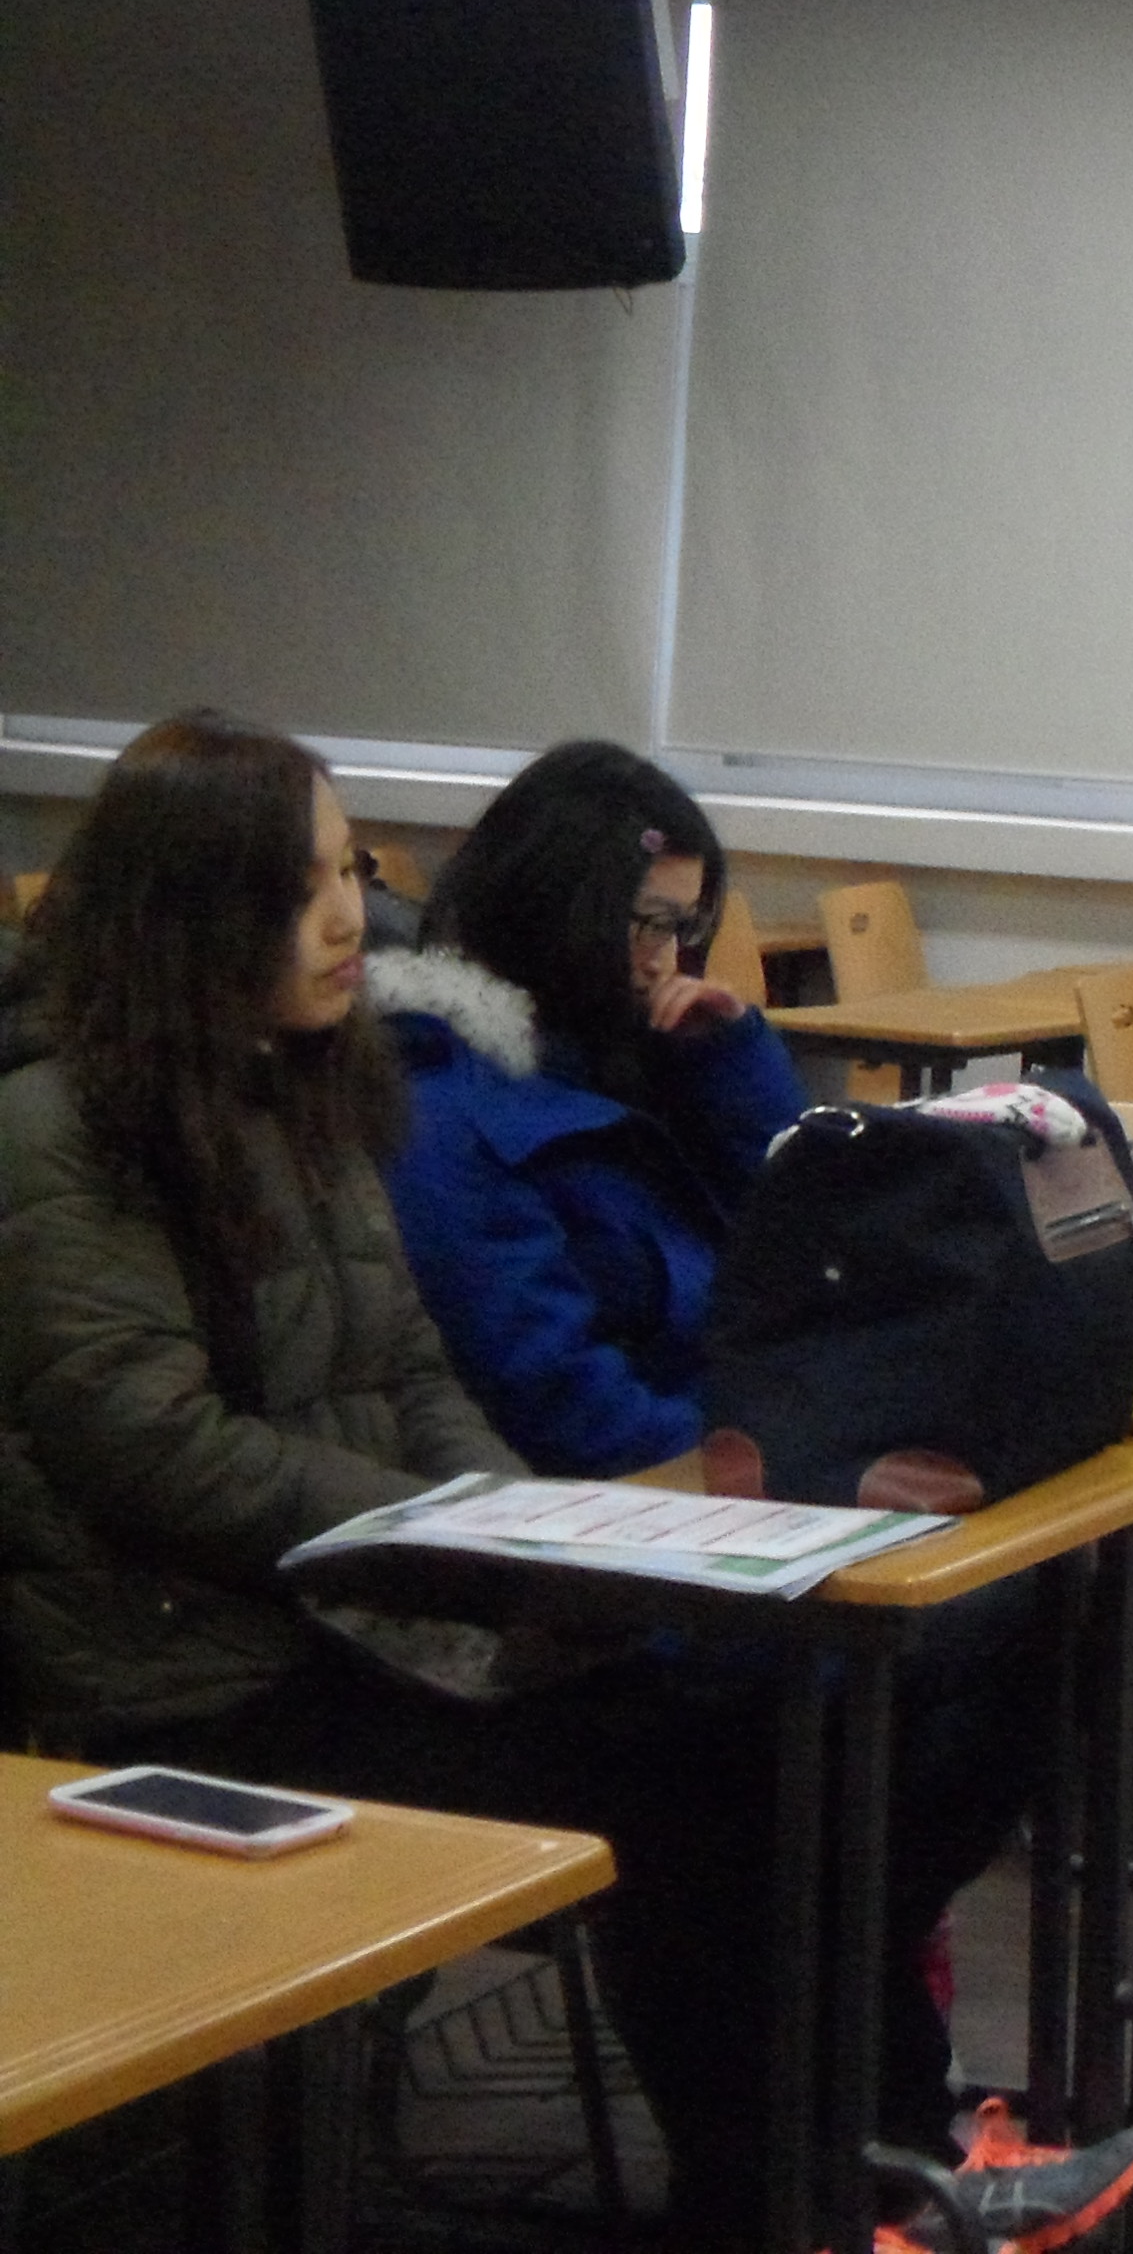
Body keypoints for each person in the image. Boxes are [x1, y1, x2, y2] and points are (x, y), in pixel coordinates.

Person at [0, 713, 1070, 2251]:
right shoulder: (58, 1126)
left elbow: (418, 1372)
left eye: (348, 872)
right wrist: (434, 1537)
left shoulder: (305, 1085)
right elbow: (144, 1439)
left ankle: (873, 2176)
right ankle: (816, 2203)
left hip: (366, 1614)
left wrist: (524, 1533)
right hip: (203, 1674)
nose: (347, 917)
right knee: (704, 1779)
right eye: (299, 885)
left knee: (766, 1736)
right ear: (189, 910)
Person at [368, 741, 804, 1475]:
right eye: (649, 923)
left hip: (728, 1441)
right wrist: (765, 1459)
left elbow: (794, 1246)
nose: (667, 960)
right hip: (645, 1487)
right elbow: (561, 1406)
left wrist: (731, 1063)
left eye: (683, 929)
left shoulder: (629, 1056)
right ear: (558, 907)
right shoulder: (446, 1110)